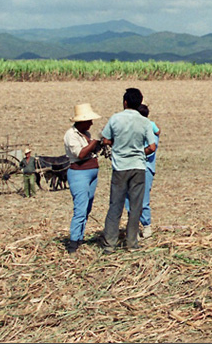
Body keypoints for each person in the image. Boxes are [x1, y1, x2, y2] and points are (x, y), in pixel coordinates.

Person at [100, 88, 157, 253]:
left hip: (120, 167)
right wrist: (141, 152)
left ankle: (109, 244)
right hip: (138, 167)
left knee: (115, 205)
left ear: (125, 102)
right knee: (136, 206)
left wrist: (116, 146)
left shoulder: (115, 118)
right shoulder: (145, 122)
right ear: (140, 103)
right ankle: (131, 243)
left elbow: (105, 139)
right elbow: (152, 146)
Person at [63, 104, 103, 254]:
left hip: (91, 171)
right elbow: (80, 154)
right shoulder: (71, 135)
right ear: (82, 121)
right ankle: (73, 243)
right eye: (89, 120)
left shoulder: (85, 133)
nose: (91, 123)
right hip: (79, 172)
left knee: (87, 207)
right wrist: (95, 141)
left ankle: (79, 237)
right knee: (80, 208)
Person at [125, 104, 160, 238]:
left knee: (142, 199)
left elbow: (150, 149)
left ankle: (146, 226)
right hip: (131, 166)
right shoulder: (147, 127)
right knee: (129, 199)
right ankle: (133, 227)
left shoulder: (148, 129)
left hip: (145, 168)